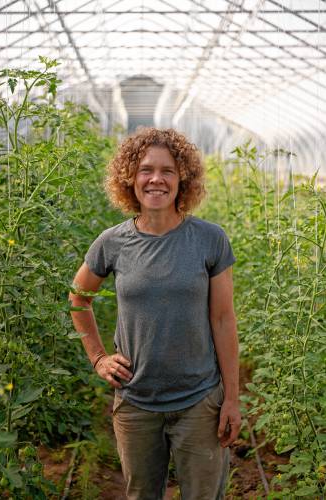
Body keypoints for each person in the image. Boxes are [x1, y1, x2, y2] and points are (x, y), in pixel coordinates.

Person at [69, 127, 241, 500]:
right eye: (146, 170)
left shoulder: (210, 239)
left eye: (168, 171)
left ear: (184, 179)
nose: (156, 179)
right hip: (135, 402)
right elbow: (78, 298)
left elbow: (224, 320)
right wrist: (98, 358)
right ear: (129, 178)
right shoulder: (112, 242)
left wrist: (231, 398)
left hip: (200, 401)